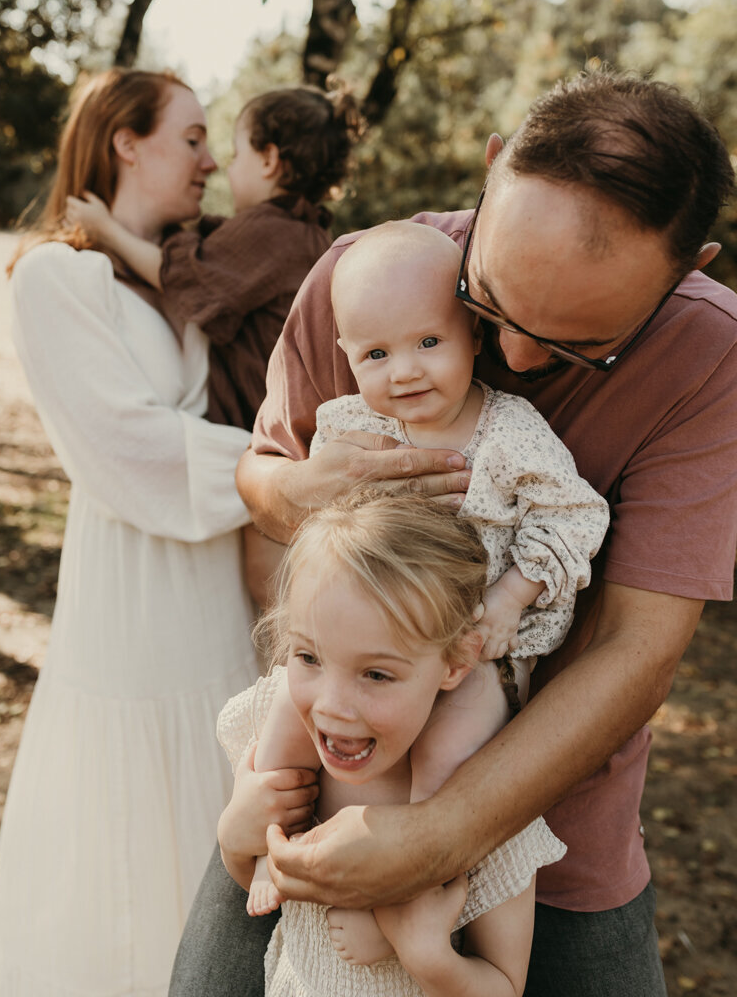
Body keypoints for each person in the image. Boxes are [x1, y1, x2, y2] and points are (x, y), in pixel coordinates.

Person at [169, 70, 737, 997]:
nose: (512, 360)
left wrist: (442, 833)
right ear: (492, 167)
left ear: (690, 267)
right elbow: (261, 479)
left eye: (574, 349)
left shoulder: (711, 355)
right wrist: (305, 487)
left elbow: (640, 647)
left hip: (556, 838)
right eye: (491, 303)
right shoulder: (365, 278)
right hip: (326, 786)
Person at [0, 68, 265, 997]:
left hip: (222, 592)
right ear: (125, 142)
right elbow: (128, 450)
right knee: (128, 856)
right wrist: (284, 473)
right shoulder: (55, 278)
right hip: (132, 593)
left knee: (219, 819)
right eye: (190, 137)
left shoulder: (191, 274)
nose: (210, 160)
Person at [245, 220, 609, 925]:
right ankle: (268, 837)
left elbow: (574, 517)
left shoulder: (509, 432)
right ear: (346, 355)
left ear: (475, 334)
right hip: (363, 649)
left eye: (429, 343)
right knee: (287, 715)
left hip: (468, 651)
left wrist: (510, 598)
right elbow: (327, 528)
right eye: (376, 353)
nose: (404, 371)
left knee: (448, 756)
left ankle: (418, 886)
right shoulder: (349, 427)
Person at [218, 489, 567, 997]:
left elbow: (504, 985)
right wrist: (235, 838)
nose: (333, 705)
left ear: (455, 664)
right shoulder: (285, 750)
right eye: (309, 658)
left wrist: (424, 953)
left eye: (377, 674)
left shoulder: (481, 794)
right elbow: (261, 887)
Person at [64, 84, 360, 431]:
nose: (223, 167)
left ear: (268, 160)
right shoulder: (309, 234)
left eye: (236, 156)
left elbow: (182, 276)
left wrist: (106, 229)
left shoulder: (269, 232)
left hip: (263, 425)